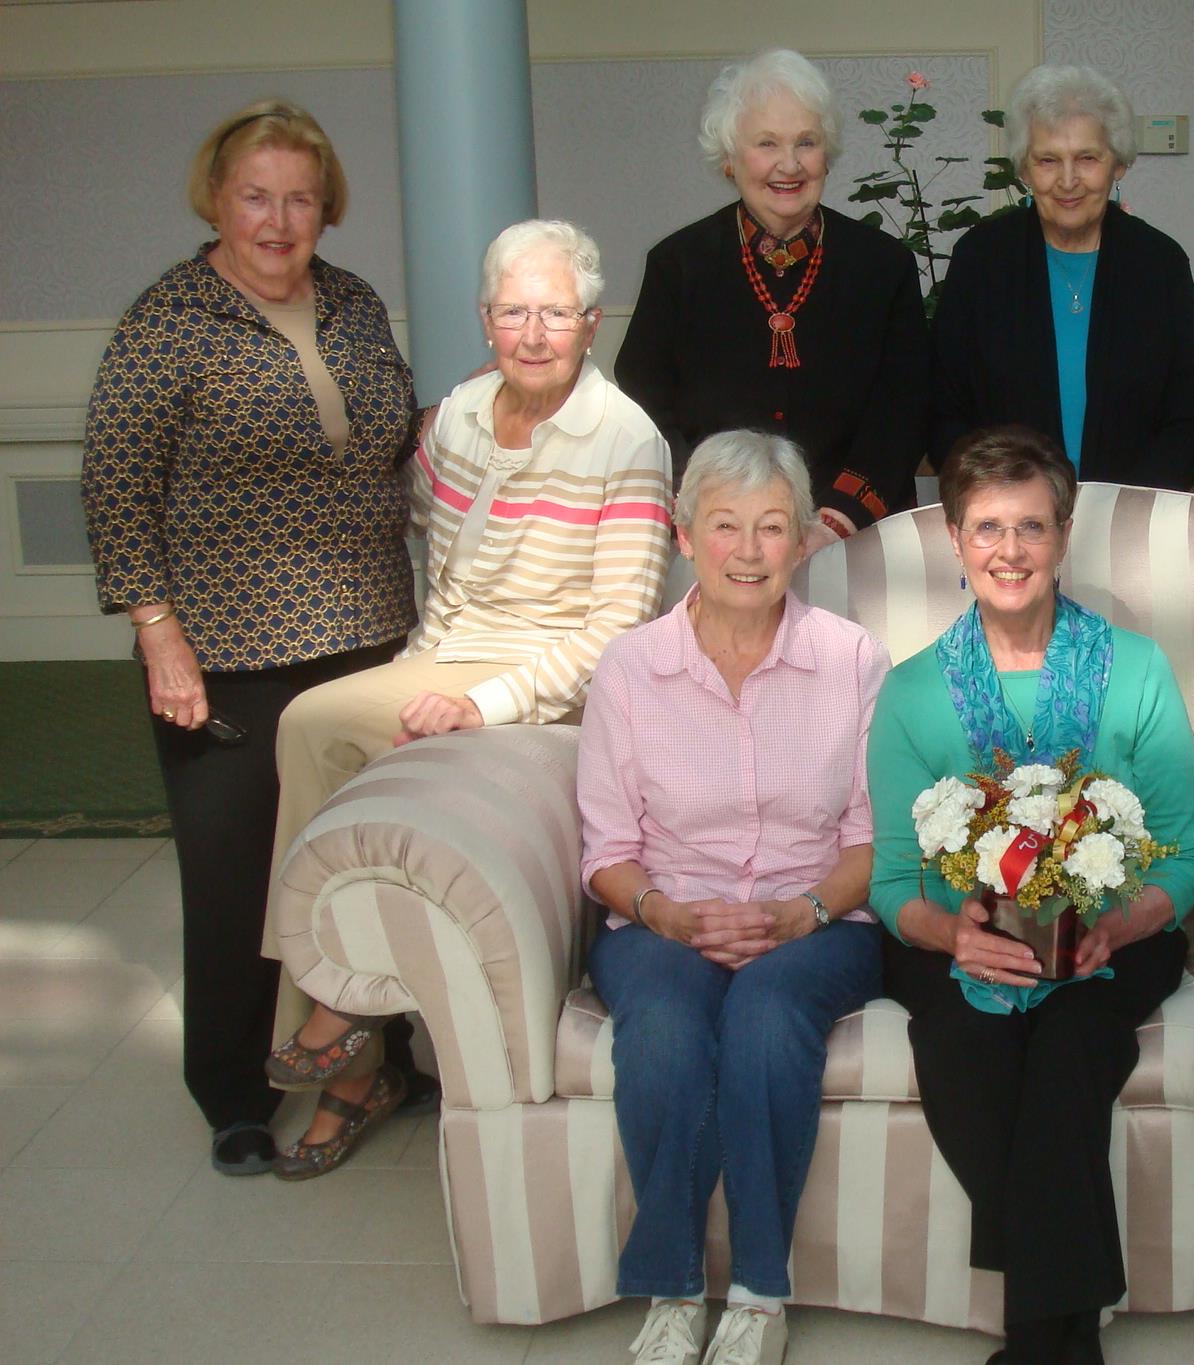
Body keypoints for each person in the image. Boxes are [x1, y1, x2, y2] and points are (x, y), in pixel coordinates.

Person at [261, 219, 673, 1179]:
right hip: (443, 656)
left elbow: (617, 630)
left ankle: (335, 1026)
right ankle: (350, 1043)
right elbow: (420, 534)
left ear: (593, 324)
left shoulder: (626, 439)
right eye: (514, 312)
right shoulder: (458, 417)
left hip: (550, 685)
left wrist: (482, 704)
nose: (534, 333)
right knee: (312, 726)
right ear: (486, 320)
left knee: (325, 728)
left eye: (556, 313)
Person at [80, 99, 419, 1178]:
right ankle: (232, 1093)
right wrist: (157, 634)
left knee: (367, 864)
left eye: (300, 199)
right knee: (236, 883)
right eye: (256, 197)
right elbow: (116, 486)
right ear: (217, 201)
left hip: (368, 636)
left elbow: (397, 443)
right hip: (226, 652)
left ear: (327, 208)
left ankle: (381, 1058)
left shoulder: (353, 303)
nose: (278, 220)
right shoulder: (168, 320)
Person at [866, 427, 1194, 1364]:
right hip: (956, 940)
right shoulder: (910, 691)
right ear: (954, 538)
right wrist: (953, 934)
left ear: (1063, 534)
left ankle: (1035, 1344)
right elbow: (892, 881)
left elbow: (1187, 850)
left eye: (1031, 526)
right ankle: (1068, 1340)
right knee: (963, 1051)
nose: (1009, 550)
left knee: (1068, 1052)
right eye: (987, 527)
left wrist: (1122, 922)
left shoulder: (1135, 667)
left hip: (1113, 937)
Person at [580, 430, 888, 1365]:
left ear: (802, 541)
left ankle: (757, 1292)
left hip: (821, 917)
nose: (748, 551)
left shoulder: (853, 660)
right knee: (663, 1029)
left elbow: (874, 839)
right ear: (684, 536)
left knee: (764, 1016)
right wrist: (665, 913)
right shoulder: (631, 667)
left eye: (771, 526)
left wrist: (805, 912)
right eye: (724, 525)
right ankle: (673, 1287)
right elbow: (608, 851)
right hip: (662, 917)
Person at [616, 47, 928, 549]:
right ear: (729, 159)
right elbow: (645, 403)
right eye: (767, 144)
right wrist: (711, 512)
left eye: (807, 142)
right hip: (720, 540)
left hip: (854, 537)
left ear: (827, 155)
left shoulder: (884, 266)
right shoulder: (678, 264)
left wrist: (834, 521)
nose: (789, 164)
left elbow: (904, 408)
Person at [928, 64, 1194, 487]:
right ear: (1024, 170)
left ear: (1118, 164)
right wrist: (1004, 501)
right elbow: (943, 409)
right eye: (1048, 160)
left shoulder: (1160, 264)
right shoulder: (980, 260)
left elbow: (1190, 417)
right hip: (1007, 514)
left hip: (1133, 511)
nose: (1067, 181)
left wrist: (1130, 507)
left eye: (1087, 158)